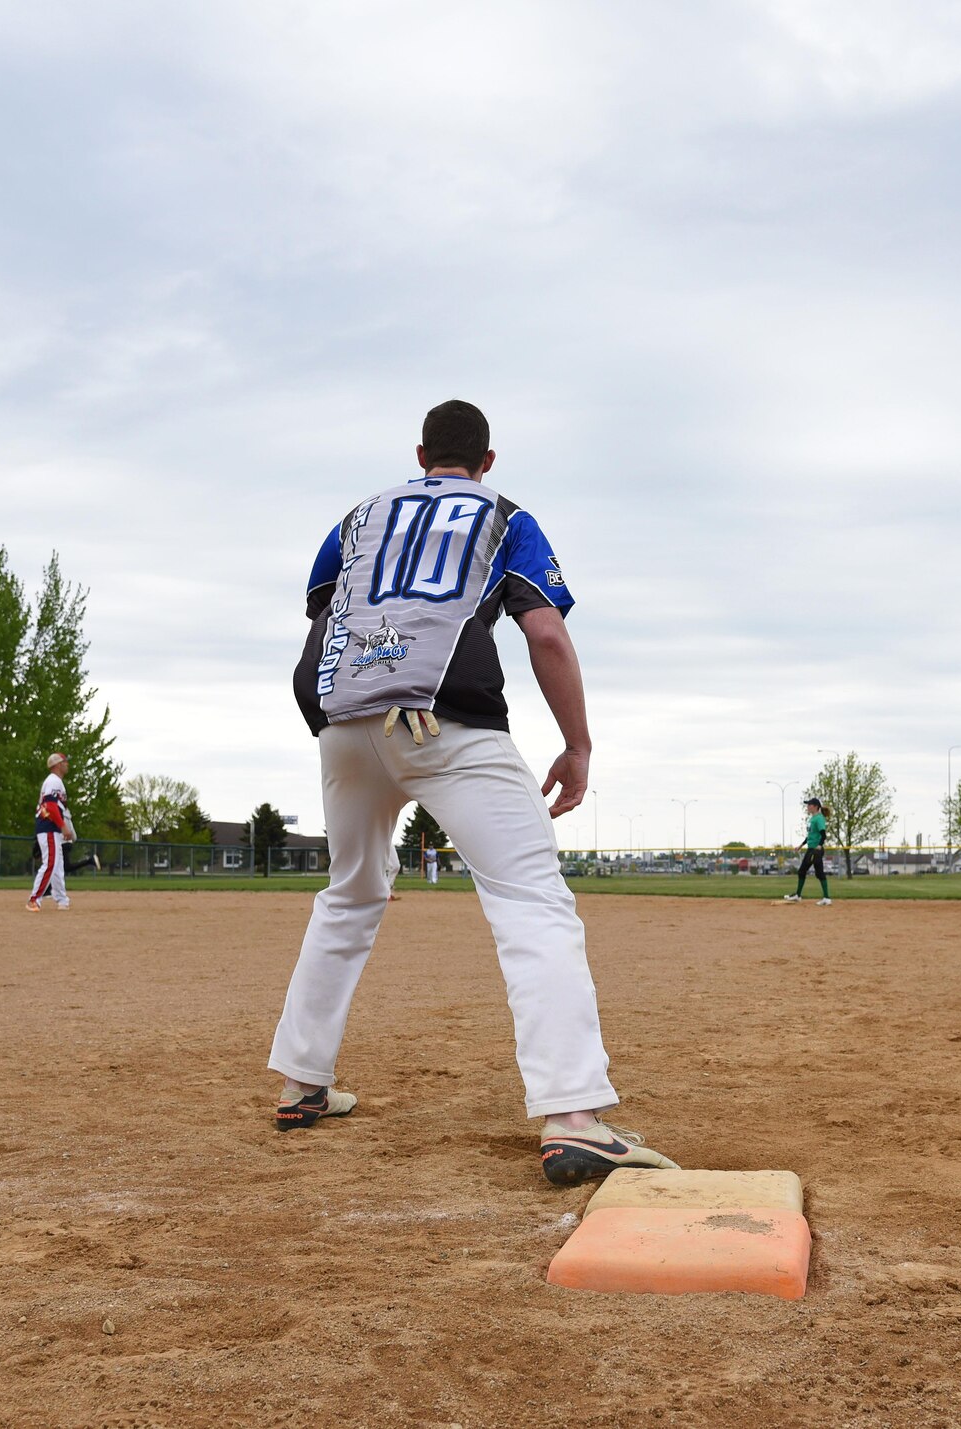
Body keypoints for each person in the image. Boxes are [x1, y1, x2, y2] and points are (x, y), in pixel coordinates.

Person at [269, 399, 678, 1188]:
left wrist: (338, 728)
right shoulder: (506, 514)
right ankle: (573, 1118)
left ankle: (301, 1083)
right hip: (448, 721)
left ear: (421, 453)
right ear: (487, 461)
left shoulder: (356, 517)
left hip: (344, 723)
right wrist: (578, 743)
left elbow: (331, 617)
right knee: (531, 900)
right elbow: (547, 632)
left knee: (349, 895)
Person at [28, 752, 76, 911]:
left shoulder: (56, 782)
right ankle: (34, 899)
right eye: (65, 761)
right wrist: (62, 825)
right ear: (57, 765)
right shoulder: (53, 781)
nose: (67, 764)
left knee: (57, 865)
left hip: (52, 827)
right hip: (48, 826)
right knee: (50, 863)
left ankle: (62, 899)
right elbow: (50, 806)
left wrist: (62, 825)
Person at [783, 796, 832, 905]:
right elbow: (810, 836)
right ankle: (823, 898)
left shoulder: (819, 818)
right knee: (813, 872)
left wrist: (820, 845)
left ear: (815, 806)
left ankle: (823, 898)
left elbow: (823, 834)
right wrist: (801, 845)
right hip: (811, 849)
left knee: (807, 871)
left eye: (809, 805)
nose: (807, 807)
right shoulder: (812, 819)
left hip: (815, 850)